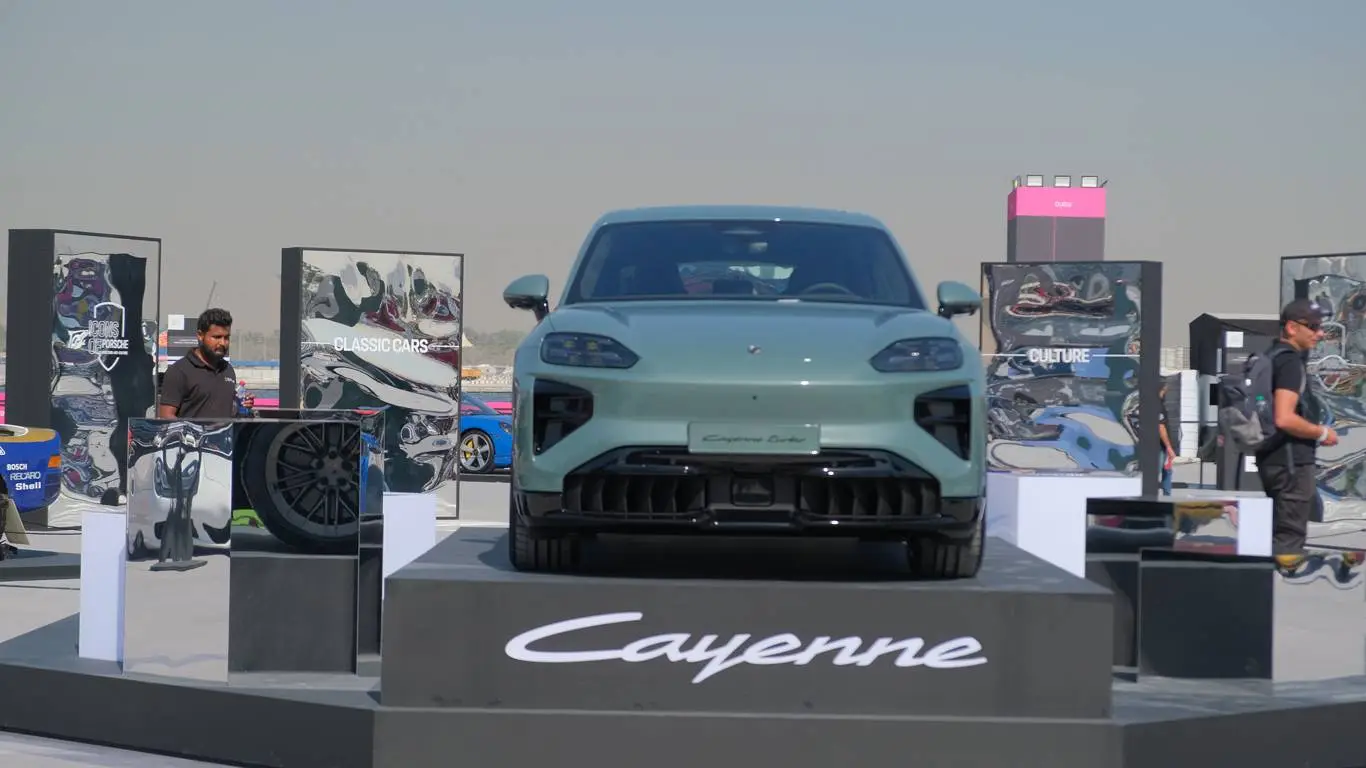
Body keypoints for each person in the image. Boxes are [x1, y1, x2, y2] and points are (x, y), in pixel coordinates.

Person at [1255, 298, 1336, 572]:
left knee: (1279, 532)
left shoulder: (1272, 356)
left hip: (1272, 459)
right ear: (1292, 328)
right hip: (1291, 464)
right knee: (1288, 546)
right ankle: (1280, 588)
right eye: (1313, 326)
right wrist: (1321, 432)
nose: (1320, 333)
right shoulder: (1289, 362)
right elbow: (1284, 417)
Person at [158, 308, 255, 419]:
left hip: (225, 431)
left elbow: (227, 410)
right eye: (217, 337)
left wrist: (243, 405)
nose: (223, 343)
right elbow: (166, 416)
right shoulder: (179, 371)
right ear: (200, 335)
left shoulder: (228, 369)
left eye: (226, 337)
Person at [1157, 382, 1176, 496]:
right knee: (1160, 470)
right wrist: (1169, 447)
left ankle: (1167, 493)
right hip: (1160, 445)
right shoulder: (1158, 405)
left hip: (1161, 445)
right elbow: (1160, 427)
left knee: (1167, 469)